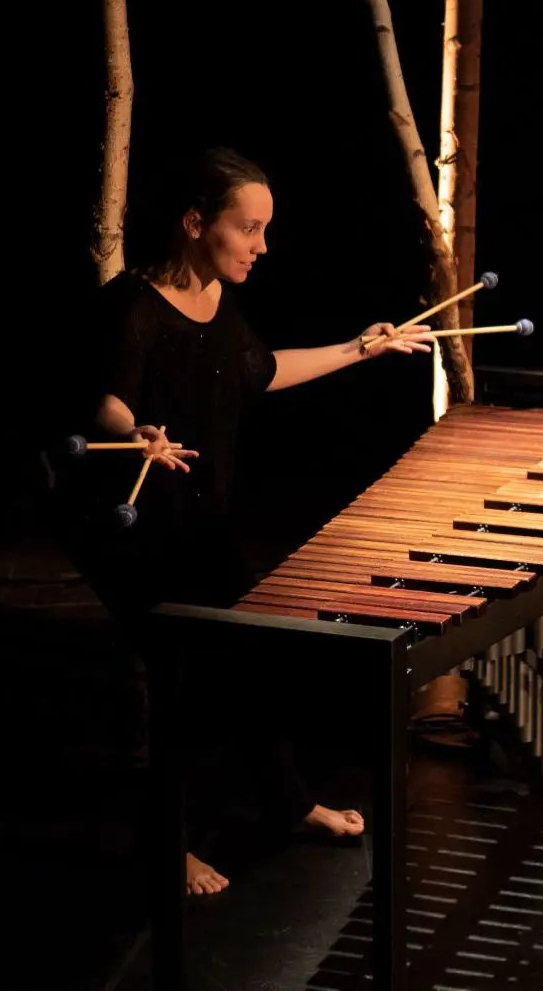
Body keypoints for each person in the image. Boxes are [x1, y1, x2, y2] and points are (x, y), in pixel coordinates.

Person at [69, 147, 440, 896]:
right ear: (195, 221)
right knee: (181, 684)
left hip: (202, 522)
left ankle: (287, 796)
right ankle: (165, 847)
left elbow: (262, 371)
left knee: (254, 663)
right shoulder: (132, 306)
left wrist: (362, 348)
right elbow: (106, 400)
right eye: (249, 228)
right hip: (136, 532)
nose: (262, 246)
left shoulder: (218, 301)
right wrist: (136, 430)